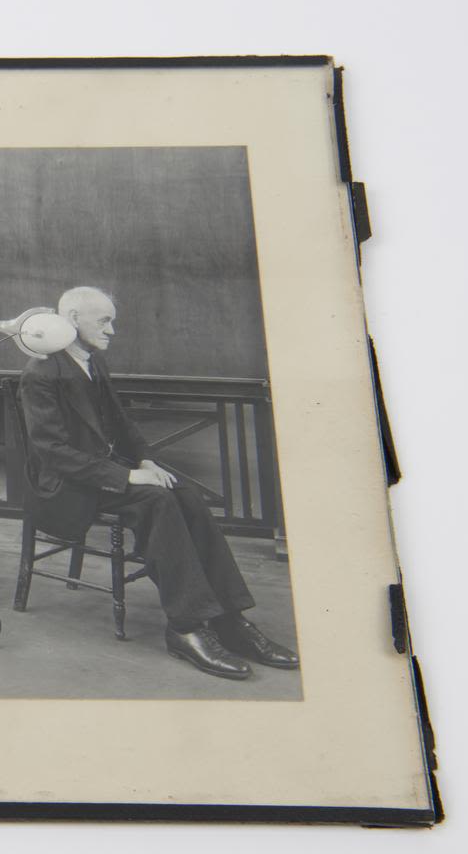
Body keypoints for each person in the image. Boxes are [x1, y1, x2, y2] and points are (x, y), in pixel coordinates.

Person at [17, 286, 298, 679]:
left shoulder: (93, 362)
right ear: (73, 319)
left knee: (187, 493)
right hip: (66, 489)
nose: (112, 330)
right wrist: (129, 475)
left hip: (102, 473)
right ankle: (185, 628)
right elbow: (54, 453)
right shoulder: (41, 373)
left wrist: (146, 458)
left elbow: (120, 422)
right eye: (104, 321)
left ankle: (229, 620)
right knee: (157, 501)